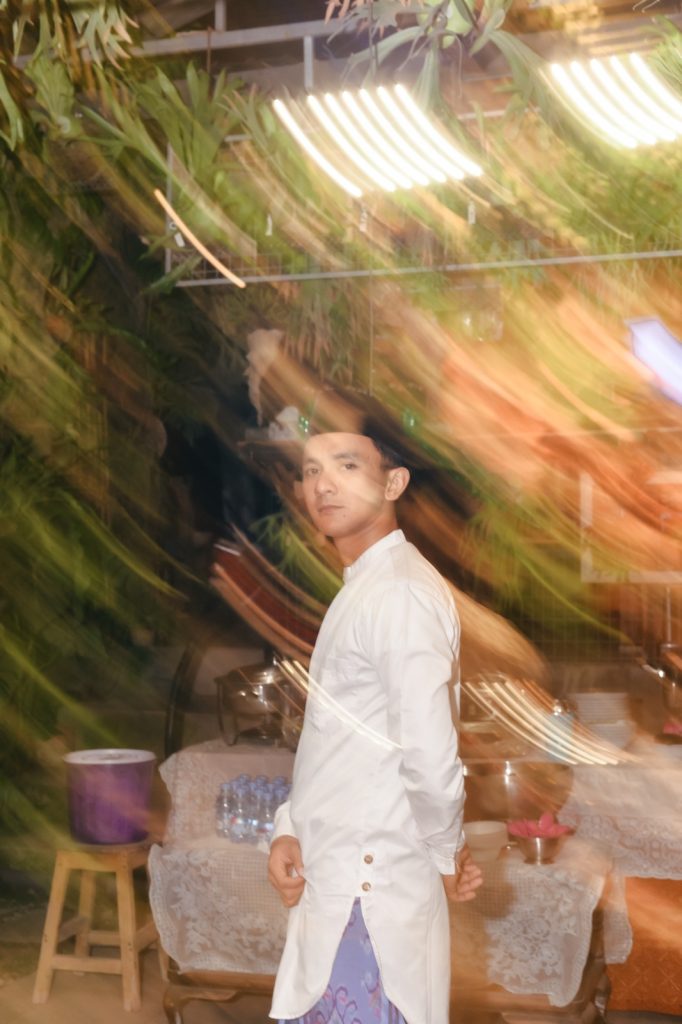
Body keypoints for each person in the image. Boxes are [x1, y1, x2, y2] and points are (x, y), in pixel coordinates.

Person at [268, 391, 482, 1024]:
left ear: (393, 482)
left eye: (347, 465)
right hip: (340, 889)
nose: (322, 484)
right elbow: (341, 743)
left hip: (369, 904)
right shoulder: (365, 586)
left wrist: (445, 855)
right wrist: (288, 825)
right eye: (311, 469)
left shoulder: (400, 595)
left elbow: (429, 755)